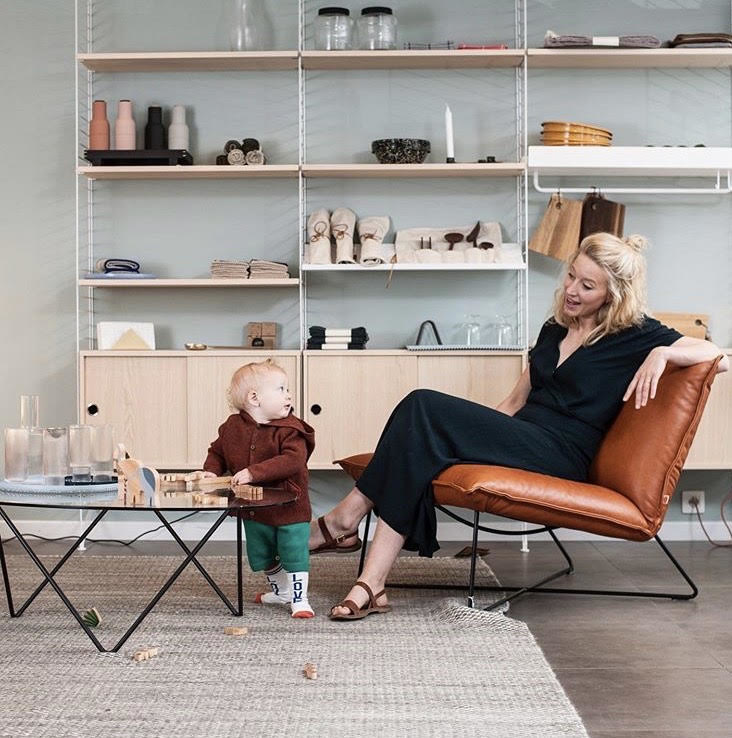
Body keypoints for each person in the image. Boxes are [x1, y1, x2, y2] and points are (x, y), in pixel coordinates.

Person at [309, 232, 729, 621]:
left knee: (422, 405)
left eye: (587, 286)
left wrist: (662, 353)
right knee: (420, 437)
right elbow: (513, 403)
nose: (571, 290)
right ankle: (372, 584)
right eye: (571, 276)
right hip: (524, 439)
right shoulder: (554, 329)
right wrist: (467, 436)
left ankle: (344, 522)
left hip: (563, 454)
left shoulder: (634, 335)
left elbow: (718, 356)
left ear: (612, 295)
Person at [199, 359, 316, 618]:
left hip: (290, 508)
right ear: (254, 398)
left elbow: (293, 460)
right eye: (281, 389)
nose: (289, 395)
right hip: (254, 508)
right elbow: (217, 452)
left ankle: (299, 598)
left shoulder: (291, 430)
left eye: (287, 389)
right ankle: (281, 591)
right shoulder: (232, 428)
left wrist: (254, 473)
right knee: (262, 553)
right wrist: (211, 471)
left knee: (294, 552)